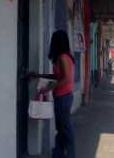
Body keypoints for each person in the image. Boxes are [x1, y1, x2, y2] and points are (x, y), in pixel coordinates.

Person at [30, 30, 76, 158]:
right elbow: (57, 76)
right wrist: (39, 75)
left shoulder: (63, 57)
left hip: (63, 96)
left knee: (66, 131)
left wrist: (48, 88)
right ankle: (57, 154)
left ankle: (71, 155)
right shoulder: (63, 56)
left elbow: (66, 78)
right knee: (61, 130)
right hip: (62, 96)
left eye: (53, 40)